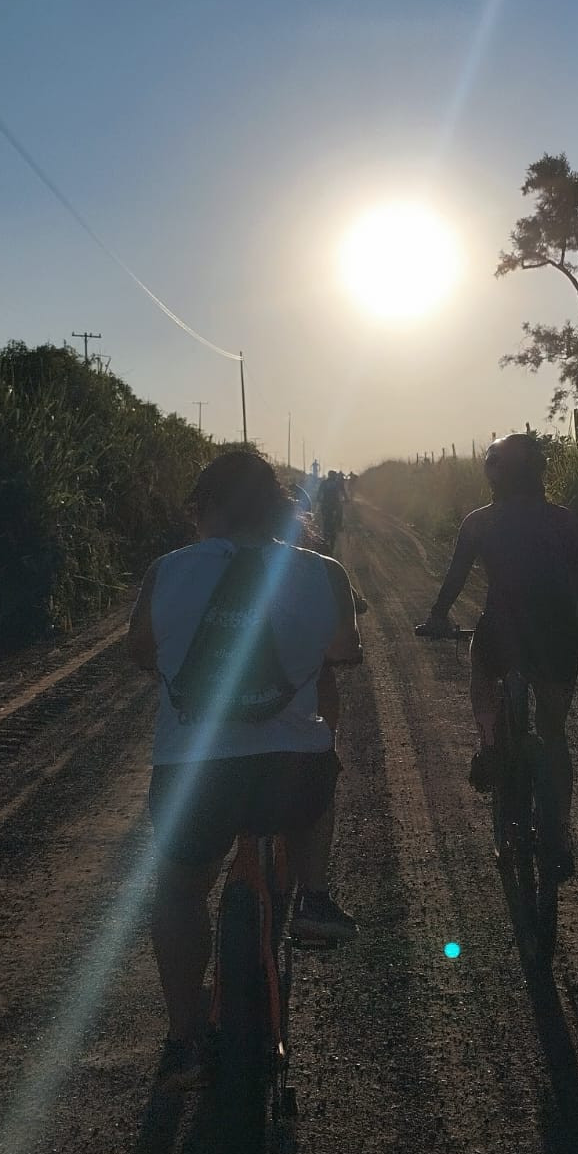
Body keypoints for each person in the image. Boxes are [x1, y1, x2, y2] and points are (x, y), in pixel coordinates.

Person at [129, 449, 361, 1082]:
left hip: (194, 775)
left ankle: (183, 1041)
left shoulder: (165, 572)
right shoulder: (324, 572)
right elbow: (344, 652)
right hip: (291, 778)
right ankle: (313, 896)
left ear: (205, 509)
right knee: (323, 751)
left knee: (179, 886)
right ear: (281, 510)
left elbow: (140, 652)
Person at [418, 433, 578, 878]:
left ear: (494, 471)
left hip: (500, 633)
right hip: (557, 637)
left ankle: (492, 746)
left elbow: (455, 579)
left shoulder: (479, 521)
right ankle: (561, 831)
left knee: (481, 670)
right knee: (554, 735)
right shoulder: (564, 520)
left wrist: (439, 617)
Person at [317, 469, 346, 547]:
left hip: (325, 503)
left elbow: (319, 492)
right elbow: (343, 492)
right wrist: (346, 499)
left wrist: (318, 499)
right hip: (335, 503)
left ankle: (325, 531)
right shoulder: (338, 483)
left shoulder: (324, 482)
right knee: (340, 511)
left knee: (324, 517)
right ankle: (339, 526)